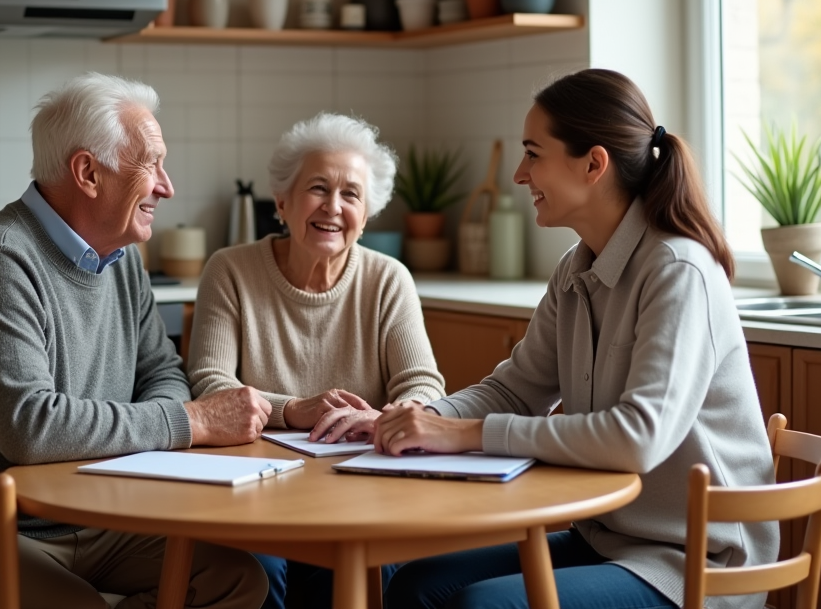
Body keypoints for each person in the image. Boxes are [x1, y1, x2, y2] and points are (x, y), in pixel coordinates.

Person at [378, 69, 779, 609]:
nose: (520, 174)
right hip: (608, 540)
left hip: (693, 562)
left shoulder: (677, 271)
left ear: (593, 164)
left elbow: (638, 438)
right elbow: (516, 391)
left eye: (533, 153)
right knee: (412, 584)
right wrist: (414, 418)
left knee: (479, 607)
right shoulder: (575, 270)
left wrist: (467, 434)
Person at [0, 73, 270, 609]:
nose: (167, 187)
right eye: (152, 165)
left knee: (236, 579)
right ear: (88, 173)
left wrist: (165, 420)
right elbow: (32, 428)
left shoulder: (123, 260)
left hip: (95, 515)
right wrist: (193, 421)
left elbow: (162, 370)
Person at [187, 112, 446, 609]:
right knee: (254, 571)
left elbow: (425, 386)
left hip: (359, 486)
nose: (334, 206)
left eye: (351, 194)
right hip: (252, 491)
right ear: (281, 202)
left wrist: (380, 417)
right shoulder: (231, 270)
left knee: (379, 568)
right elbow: (208, 382)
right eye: (318, 188)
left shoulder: (388, 280)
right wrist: (293, 409)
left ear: (366, 214)